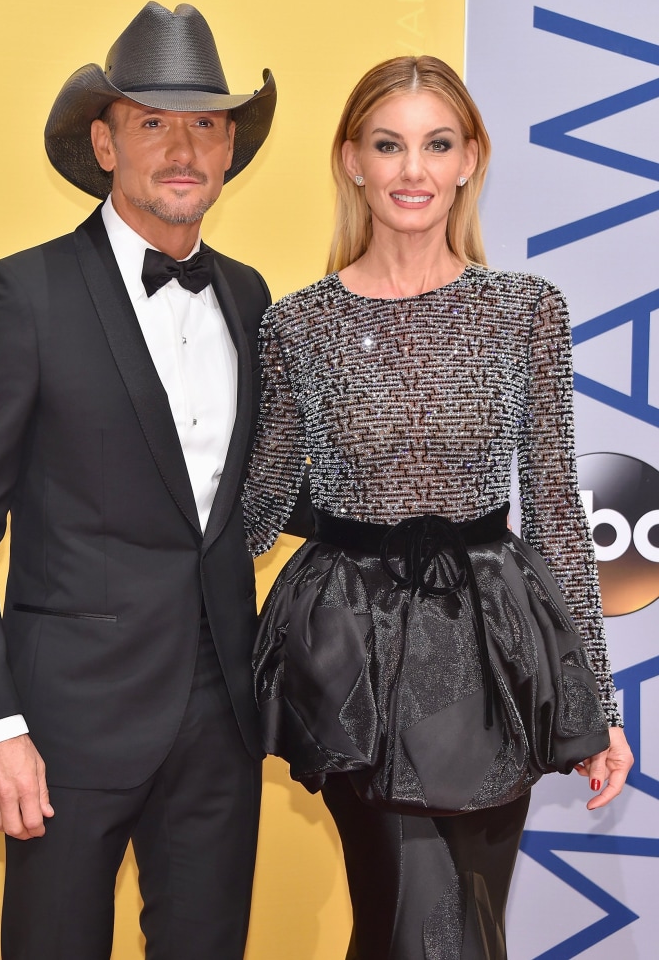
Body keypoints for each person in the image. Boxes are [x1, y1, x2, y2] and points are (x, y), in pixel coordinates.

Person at [242, 56, 633, 959]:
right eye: (389, 145)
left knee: (472, 922)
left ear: (469, 160)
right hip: (355, 660)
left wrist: (594, 699)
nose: (412, 170)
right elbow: (258, 506)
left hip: (491, 656)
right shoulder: (297, 324)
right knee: (403, 917)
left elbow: (558, 514)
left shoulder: (525, 310)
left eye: (436, 144)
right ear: (352, 162)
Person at [0, 1, 276, 960]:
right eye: (153, 122)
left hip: (221, 724)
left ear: (231, 147)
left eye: (204, 122)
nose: (183, 147)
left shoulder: (248, 296)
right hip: (59, 729)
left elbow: (249, 505)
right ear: (104, 143)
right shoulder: (17, 295)